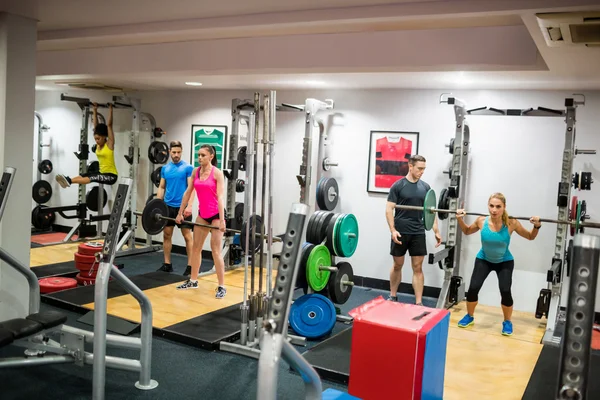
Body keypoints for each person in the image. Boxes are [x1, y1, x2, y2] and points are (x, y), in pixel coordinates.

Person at [455, 193, 541, 336]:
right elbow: (466, 231)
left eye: (498, 207)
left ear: (504, 207)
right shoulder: (481, 221)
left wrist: (537, 226)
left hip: (504, 261)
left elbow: (530, 237)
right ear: (488, 206)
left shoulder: (511, 223)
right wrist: (459, 219)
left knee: (505, 290)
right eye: (491, 206)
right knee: (473, 288)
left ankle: (507, 321)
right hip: (484, 259)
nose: (494, 210)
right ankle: (469, 316)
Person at [385, 155, 442, 305]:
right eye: (419, 168)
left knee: (417, 267)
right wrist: (392, 230)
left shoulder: (426, 188)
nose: (422, 172)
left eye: (424, 169)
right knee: (398, 265)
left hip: (418, 232)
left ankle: (418, 302)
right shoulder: (398, 186)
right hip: (400, 231)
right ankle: (393, 295)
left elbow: (431, 212)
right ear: (410, 166)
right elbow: (389, 209)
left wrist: (436, 230)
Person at [175, 144, 227, 298]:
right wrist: (180, 212)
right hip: (203, 214)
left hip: (216, 215)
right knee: (196, 248)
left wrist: (223, 220)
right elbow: (187, 193)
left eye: (203, 155)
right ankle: (193, 280)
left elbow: (220, 197)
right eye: (198, 155)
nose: (199, 158)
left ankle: (222, 286)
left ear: (211, 156)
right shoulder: (195, 172)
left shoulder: (217, 173)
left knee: (215, 250)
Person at [56, 103, 118, 188]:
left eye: (98, 139)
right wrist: (95, 110)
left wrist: (111, 109)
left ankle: (69, 181)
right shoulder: (98, 146)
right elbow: (95, 125)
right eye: (95, 138)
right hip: (101, 172)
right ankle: (68, 180)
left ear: (104, 137)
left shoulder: (109, 145)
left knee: (92, 177)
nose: (96, 141)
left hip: (111, 176)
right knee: (85, 174)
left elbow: (109, 125)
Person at [156, 141, 195, 276]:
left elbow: (191, 189)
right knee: (167, 235)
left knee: (187, 236)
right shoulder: (165, 169)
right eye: (174, 152)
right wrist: (157, 205)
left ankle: (190, 266)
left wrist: (189, 206)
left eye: (178, 152)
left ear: (181, 151)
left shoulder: (188, 168)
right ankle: (167, 264)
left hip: (182, 207)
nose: (176, 155)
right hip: (168, 207)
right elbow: (161, 187)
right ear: (169, 152)